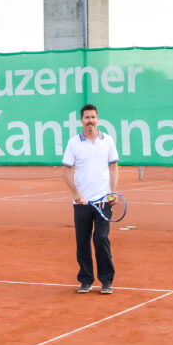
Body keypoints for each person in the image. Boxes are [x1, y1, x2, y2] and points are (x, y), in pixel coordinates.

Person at [62, 103, 119, 294]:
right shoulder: (73, 143)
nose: (90, 121)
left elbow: (113, 166)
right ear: (81, 121)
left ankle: (106, 281)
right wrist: (76, 194)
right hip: (82, 203)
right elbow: (66, 171)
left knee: (101, 238)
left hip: (103, 200)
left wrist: (113, 192)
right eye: (86, 118)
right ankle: (86, 280)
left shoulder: (107, 141)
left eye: (93, 117)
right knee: (82, 242)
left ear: (98, 119)